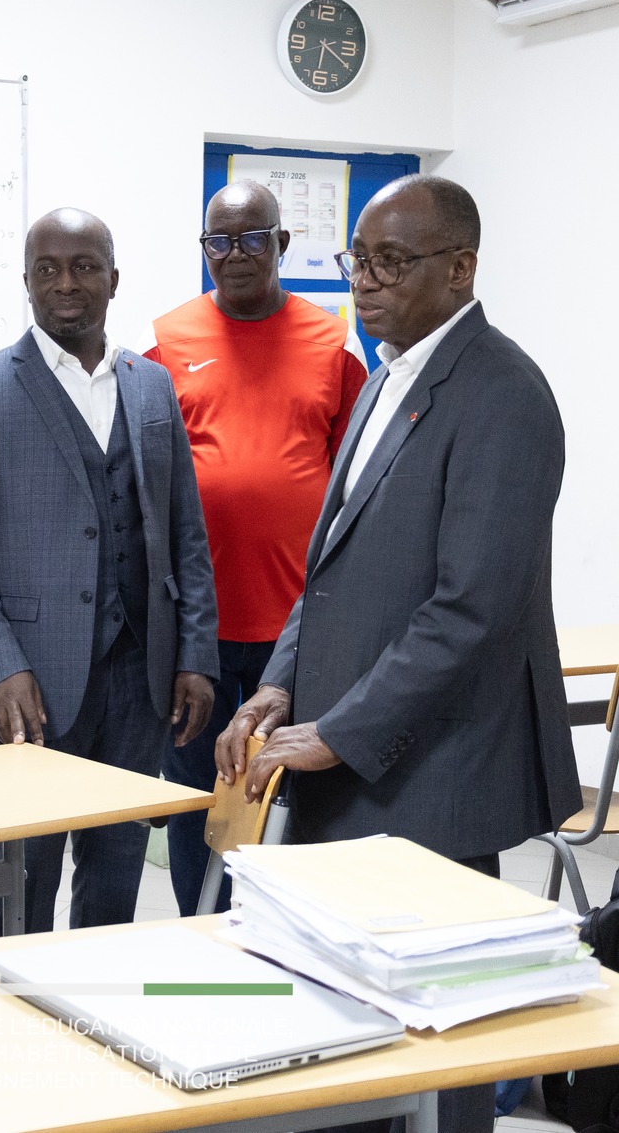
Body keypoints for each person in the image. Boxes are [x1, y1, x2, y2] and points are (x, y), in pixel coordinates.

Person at [214, 175, 580, 1133]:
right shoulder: (385, 374)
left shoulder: (503, 393)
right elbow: (328, 568)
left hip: (434, 763)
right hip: (349, 745)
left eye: (390, 261)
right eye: (356, 260)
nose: (363, 282)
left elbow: (473, 609)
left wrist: (341, 730)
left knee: (436, 1023)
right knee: (343, 1001)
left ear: (460, 267)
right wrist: (278, 686)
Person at [0, 207, 219, 934]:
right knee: (23, 880)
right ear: (25, 281)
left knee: (115, 876)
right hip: (31, 684)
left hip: (138, 682)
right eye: (49, 269)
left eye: (85, 266)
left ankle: (95, 1017)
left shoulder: (151, 388)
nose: (67, 283)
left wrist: (195, 654)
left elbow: (186, 532)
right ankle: (16, 1028)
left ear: (113, 279)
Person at [145, 180, 365, 914]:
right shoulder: (167, 341)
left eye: (249, 238)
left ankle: (286, 927)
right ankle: (198, 927)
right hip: (195, 628)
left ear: (281, 243)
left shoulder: (332, 342)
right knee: (196, 795)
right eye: (218, 241)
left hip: (299, 625)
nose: (232, 254)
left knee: (293, 787)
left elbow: (358, 479)